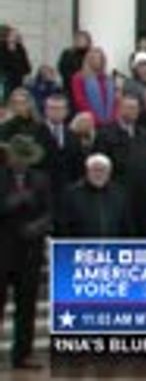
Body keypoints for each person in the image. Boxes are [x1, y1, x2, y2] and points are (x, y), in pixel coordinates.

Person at [0, 134, 50, 370]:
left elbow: (51, 211)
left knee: (27, 306)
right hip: (3, 249)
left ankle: (23, 354)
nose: (22, 163)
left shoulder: (40, 179)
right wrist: (14, 201)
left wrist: (38, 226)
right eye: (18, 158)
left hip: (30, 251)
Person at [58, 153, 130, 237]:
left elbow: (126, 226)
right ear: (87, 171)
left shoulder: (119, 193)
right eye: (95, 170)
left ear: (109, 173)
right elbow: (63, 227)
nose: (99, 174)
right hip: (81, 247)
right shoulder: (72, 194)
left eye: (103, 170)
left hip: (113, 247)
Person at [95, 95, 146, 181]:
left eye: (136, 108)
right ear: (120, 109)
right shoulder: (105, 133)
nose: (134, 111)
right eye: (130, 108)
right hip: (117, 181)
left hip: (140, 182)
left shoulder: (144, 134)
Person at [70, 47, 117, 125]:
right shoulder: (79, 78)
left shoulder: (108, 79)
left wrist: (112, 118)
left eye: (100, 58)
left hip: (110, 122)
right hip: (89, 121)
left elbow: (115, 101)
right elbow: (80, 100)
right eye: (94, 58)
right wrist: (95, 119)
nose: (97, 61)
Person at [0, 26, 31, 101]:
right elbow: (4, 65)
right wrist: (10, 51)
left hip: (18, 81)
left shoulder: (20, 48)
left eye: (16, 35)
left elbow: (27, 67)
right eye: (13, 34)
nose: (16, 36)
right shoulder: (2, 47)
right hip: (5, 81)